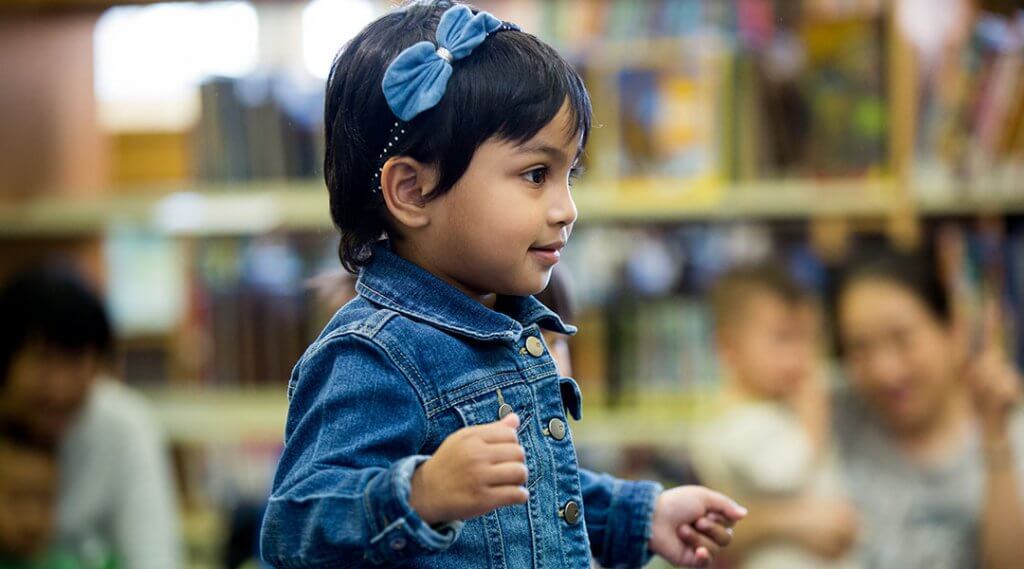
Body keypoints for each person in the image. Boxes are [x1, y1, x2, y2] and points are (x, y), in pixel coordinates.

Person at [259, 2, 747, 567]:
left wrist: (641, 516)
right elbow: (294, 530)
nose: (567, 209)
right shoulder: (372, 353)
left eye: (571, 176)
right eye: (536, 175)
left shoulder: (508, 325)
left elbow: (531, 500)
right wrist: (420, 495)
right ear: (413, 192)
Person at [831, 247, 1023, 569]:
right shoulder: (835, 408)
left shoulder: (1008, 429)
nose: (884, 371)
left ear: (953, 330)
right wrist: (789, 520)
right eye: (859, 347)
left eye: (902, 339)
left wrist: (995, 441)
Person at [0, 267, 182, 569]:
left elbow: (154, 558)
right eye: (43, 360)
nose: (59, 389)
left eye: (75, 362)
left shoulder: (126, 428)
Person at [692, 264, 860, 569]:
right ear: (729, 348)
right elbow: (784, 473)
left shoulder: (781, 403)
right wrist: (813, 419)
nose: (801, 357)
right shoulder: (732, 423)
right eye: (783, 338)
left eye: (809, 338)